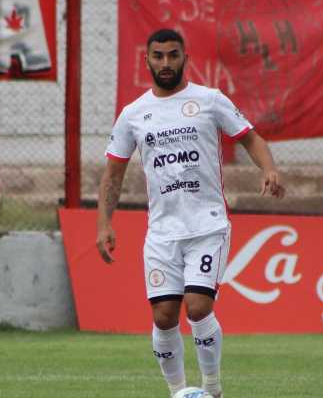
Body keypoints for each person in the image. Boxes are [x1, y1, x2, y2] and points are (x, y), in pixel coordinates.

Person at [96, 29, 285, 398]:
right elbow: (113, 173)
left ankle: (213, 390)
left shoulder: (209, 100)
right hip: (163, 232)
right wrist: (104, 223)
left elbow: (250, 137)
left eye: (172, 55)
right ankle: (179, 392)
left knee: (197, 308)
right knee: (163, 317)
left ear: (185, 57)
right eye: (158, 56)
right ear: (146, 60)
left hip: (207, 225)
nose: (165, 63)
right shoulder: (133, 115)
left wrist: (269, 169)